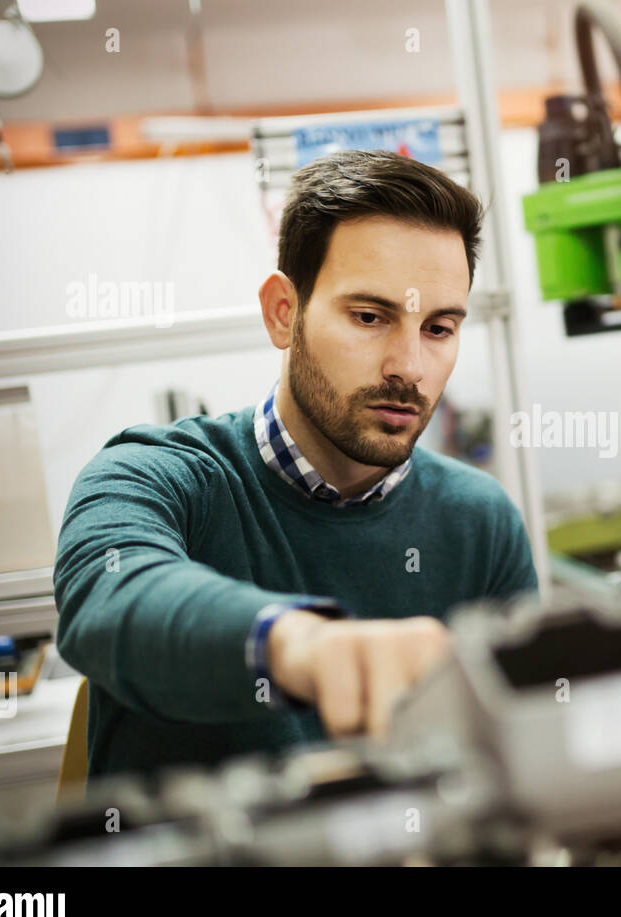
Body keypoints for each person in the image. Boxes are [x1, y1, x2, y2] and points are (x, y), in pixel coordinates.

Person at [53, 149, 538, 778]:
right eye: (370, 317)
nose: (410, 367)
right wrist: (296, 642)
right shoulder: (155, 477)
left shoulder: (481, 522)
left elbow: (527, 755)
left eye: (439, 328)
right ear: (284, 312)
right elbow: (107, 598)